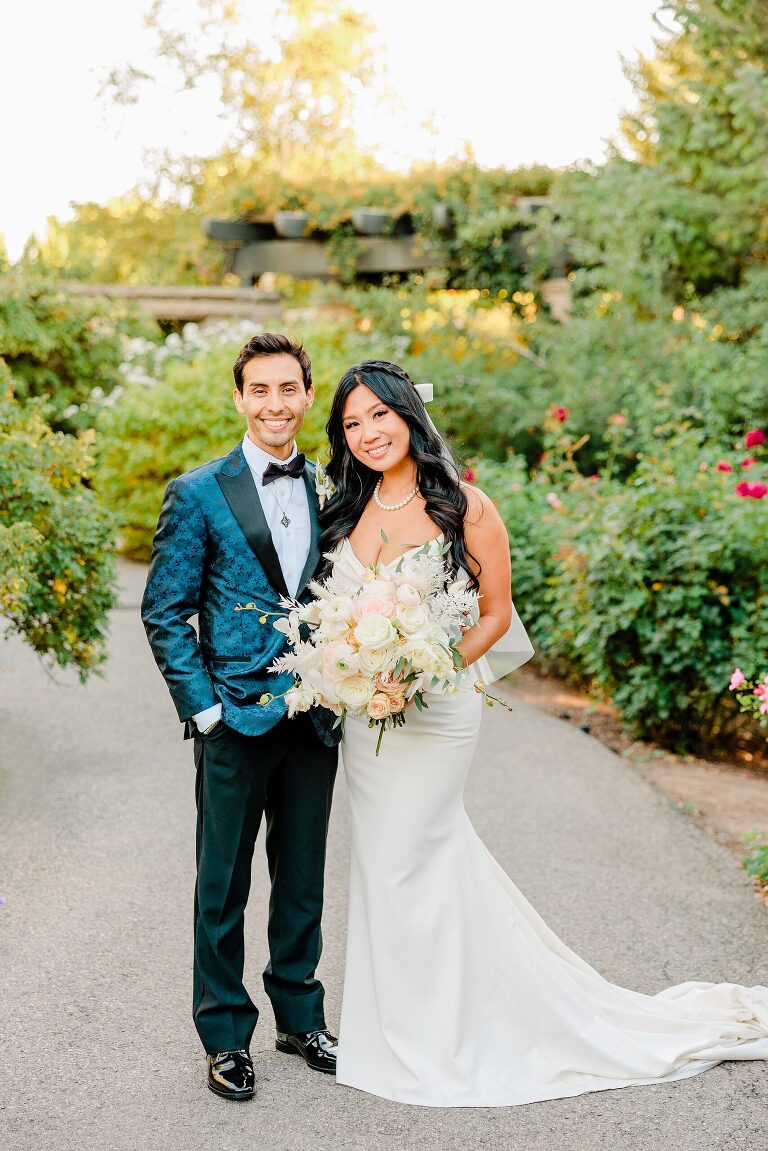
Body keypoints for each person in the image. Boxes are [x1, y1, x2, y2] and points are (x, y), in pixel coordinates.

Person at [319, 359, 768, 1108]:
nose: (367, 432)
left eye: (379, 415)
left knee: (413, 857)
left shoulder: (465, 506)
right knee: (385, 865)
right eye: (352, 422)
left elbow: (496, 612)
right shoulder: (345, 510)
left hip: (438, 709)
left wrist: (427, 669)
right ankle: (395, 1028)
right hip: (368, 720)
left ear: (408, 416)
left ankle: (443, 1037)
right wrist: (358, 669)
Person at [141, 333, 340, 1102]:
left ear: (307, 396)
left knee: (303, 880)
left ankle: (300, 1016)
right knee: (222, 885)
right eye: (260, 389)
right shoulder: (197, 492)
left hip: (314, 716)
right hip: (233, 720)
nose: (274, 403)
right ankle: (226, 1034)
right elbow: (165, 610)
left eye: (288, 388)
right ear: (239, 398)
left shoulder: (331, 487)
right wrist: (206, 711)